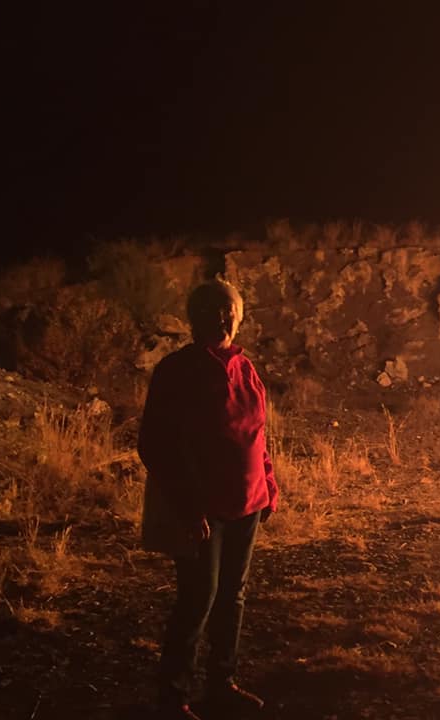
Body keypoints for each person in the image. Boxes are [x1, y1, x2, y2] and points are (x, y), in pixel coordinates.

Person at [138, 277, 278, 719]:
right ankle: (173, 697)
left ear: (238, 318)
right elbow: (155, 445)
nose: (221, 319)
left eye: (228, 312)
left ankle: (221, 683)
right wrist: (185, 507)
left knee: (232, 596)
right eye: (211, 311)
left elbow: (257, 434)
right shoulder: (177, 371)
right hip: (202, 510)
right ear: (193, 319)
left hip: (248, 503)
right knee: (199, 597)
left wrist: (268, 486)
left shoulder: (245, 367)